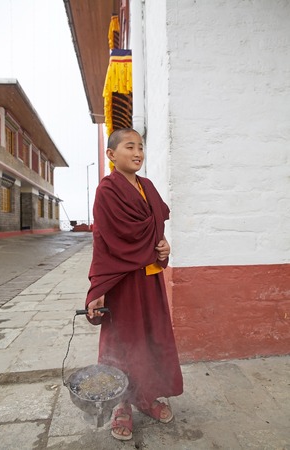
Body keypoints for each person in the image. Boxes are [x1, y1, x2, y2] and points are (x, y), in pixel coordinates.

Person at [85, 128, 183, 441]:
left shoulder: (148, 187)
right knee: (123, 342)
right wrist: (98, 289)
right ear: (111, 155)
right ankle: (121, 404)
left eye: (140, 146)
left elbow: (155, 230)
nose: (138, 152)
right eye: (130, 147)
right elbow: (106, 240)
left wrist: (164, 247)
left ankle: (147, 395)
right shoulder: (107, 190)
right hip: (122, 281)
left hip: (150, 278)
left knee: (152, 338)